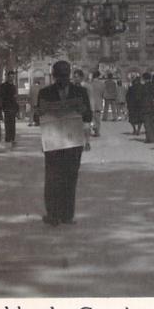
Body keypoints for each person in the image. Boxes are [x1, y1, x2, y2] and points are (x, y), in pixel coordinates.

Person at [33, 61, 93, 226]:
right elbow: (37, 118)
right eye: (60, 76)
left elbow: (88, 116)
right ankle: (53, 214)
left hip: (73, 140)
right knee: (52, 178)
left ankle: (67, 215)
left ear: (70, 75)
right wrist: (40, 113)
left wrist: (82, 110)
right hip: (53, 141)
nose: (63, 79)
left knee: (70, 177)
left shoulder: (80, 92)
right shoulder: (45, 93)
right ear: (54, 76)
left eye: (65, 76)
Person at [0, 77, 20, 144]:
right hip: (8, 106)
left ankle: (10, 138)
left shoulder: (12, 86)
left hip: (10, 107)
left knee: (10, 123)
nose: (11, 78)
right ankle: (10, 138)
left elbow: (15, 97)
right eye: (11, 77)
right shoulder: (5, 86)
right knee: (10, 123)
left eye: (12, 77)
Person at [87, 70, 105, 138]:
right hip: (98, 103)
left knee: (89, 118)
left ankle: (89, 131)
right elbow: (103, 94)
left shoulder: (89, 83)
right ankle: (97, 131)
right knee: (97, 119)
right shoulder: (102, 84)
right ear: (99, 76)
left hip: (89, 103)